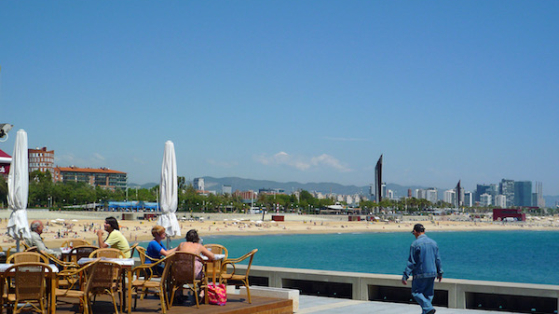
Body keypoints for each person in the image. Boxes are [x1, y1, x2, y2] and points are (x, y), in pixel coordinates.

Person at [402, 224, 443, 314]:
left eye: (414, 233)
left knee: (416, 292)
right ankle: (427, 310)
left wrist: (405, 275)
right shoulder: (433, 243)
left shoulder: (415, 244)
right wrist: (440, 272)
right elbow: (438, 259)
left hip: (420, 273)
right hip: (432, 272)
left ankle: (428, 309)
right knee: (428, 295)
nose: (414, 235)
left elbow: (411, 262)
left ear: (416, 232)